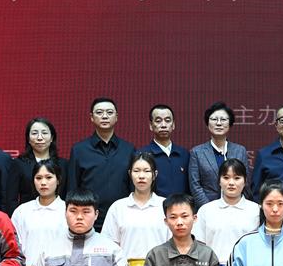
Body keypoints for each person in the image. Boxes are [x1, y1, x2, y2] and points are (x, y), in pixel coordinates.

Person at [66, 97, 135, 231]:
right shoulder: (79, 150)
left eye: (109, 112)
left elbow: (133, 187)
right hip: (89, 220)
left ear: (116, 117)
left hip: (122, 219)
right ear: (92, 117)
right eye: (99, 112)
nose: (104, 116)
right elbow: (73, 189)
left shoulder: (129, 150)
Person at [188, 102, 249, 209]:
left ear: (230, 123)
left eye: (223, 119)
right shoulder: (197, 152)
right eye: (214, 119)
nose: (219, 123)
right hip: (207, 208)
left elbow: (245, 182)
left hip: (237, 207)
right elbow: (195, 186)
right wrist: (208, 209)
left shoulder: (240, 150)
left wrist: (238, 205)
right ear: (207, 123)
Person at [143, 104, 190, 197]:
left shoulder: (184, 154)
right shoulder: (142, 155)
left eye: (167, 121)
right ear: (151, 125)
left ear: (173, 125)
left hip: (181, 205)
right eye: (158, 121)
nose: (163, 125)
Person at [15, 117, 63, 206]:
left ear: (52, 138)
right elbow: (11, 198)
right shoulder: (18, 164)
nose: (39, 138)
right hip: (27, 213)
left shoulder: (63, 165)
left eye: (44, 133)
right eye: (34, 133)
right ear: (28, 139)